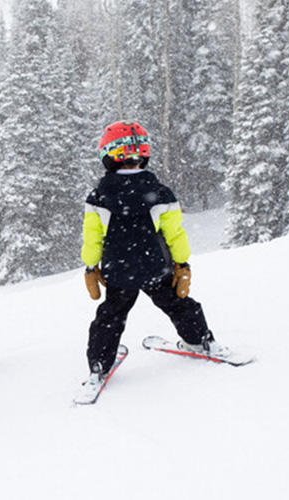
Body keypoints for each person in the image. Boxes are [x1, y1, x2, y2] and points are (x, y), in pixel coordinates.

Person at [80, 120, 232, 388]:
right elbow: (175, 234)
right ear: (144, 153)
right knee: (178, 304)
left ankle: (99, 364)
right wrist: (182, 263)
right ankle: (200, 340)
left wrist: (91, 267)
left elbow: (93, 239)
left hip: (119, 270)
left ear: (108, 154)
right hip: (155, 267)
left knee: (111, 316)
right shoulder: (161, 194)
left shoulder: (99, 197)